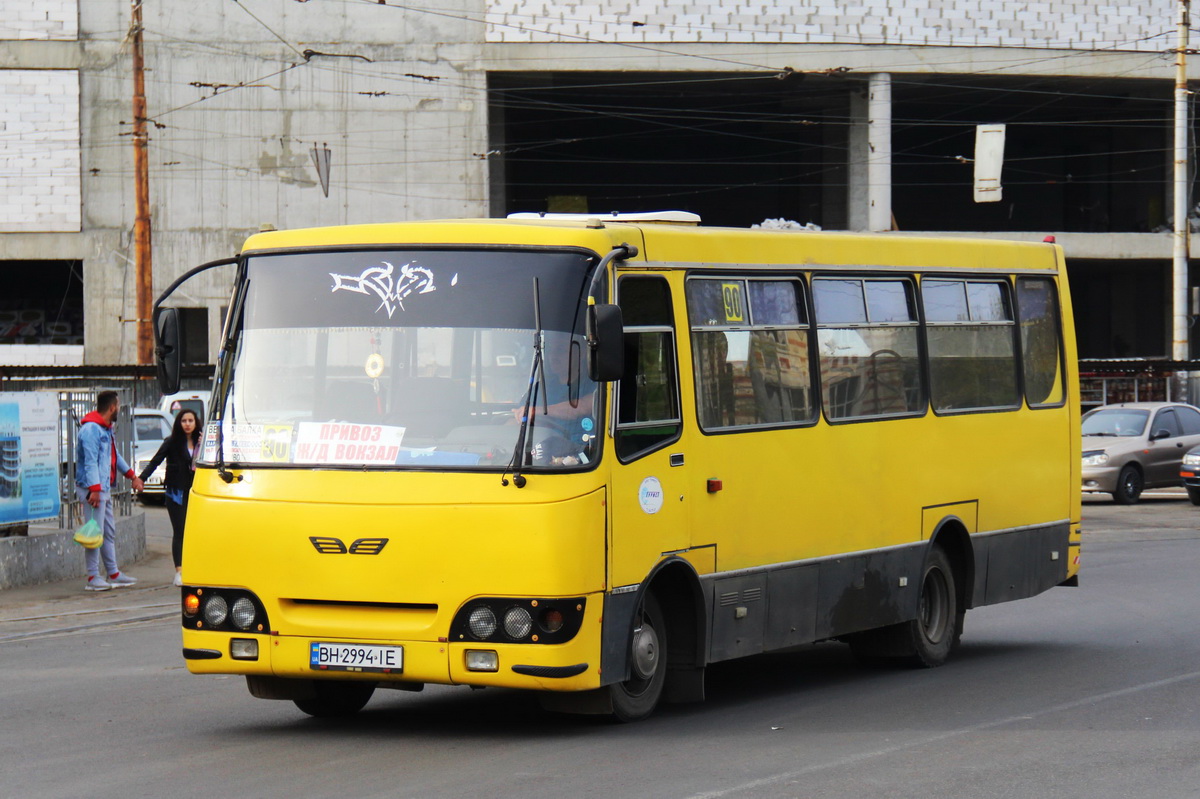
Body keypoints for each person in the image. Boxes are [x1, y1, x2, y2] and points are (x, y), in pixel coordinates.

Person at [75, 391, 144, 591]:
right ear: (112, 407)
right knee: (94, 533)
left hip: (101, 489)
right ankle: (93, 578)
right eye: (118, 406)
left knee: (107, 532)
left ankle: (113, 573)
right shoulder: (91, 430)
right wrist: (94, 490)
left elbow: (115, 457)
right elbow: (89, 463)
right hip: (92, 489)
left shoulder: (105, 429)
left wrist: (132, 476)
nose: (119, 409)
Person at [138, 409, 200, 587]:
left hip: (195, 493)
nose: (187, 424)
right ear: (179, 424)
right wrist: (141, 478)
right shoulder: (172, 442)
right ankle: (179, 571)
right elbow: (156, 460)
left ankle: (193, 567)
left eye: (191, 420)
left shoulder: (201, 443)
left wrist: (206, 446)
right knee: (179, 531)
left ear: (196, 423)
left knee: (193, 532)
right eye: (184, 421)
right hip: (175, 492)